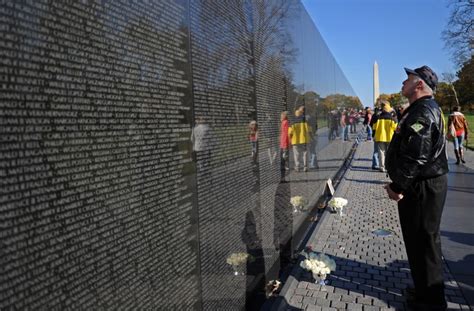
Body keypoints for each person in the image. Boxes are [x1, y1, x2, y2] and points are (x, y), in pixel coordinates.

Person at [385, 65, 448, 310]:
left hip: (423, 186)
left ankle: (432, 302)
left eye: (408, 78)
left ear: (419, 84)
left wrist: (397, 185)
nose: (403, 82)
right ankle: (424, 292)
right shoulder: (422, 108)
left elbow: (416, 156)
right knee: (417, 240)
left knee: (424, 242)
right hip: (422, 183)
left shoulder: (422, 112)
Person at [371, 100, 397, 172]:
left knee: (381, 152)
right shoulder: (392, 118)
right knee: (389, 153)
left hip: (380, 137)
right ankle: (388, 167)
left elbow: (374, 127)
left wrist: (373, 135)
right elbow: (395, 128)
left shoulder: (378, 117)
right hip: (389, 137)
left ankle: (382, 167)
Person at [288, 106, 310, 172]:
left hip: (295, 140)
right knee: (305, 153)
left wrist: (290, 139)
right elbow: (308, 129)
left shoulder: (292, 121)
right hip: (304, 139)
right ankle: (305, 167)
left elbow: (290, 132)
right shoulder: (304, 120)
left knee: (296, 154)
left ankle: (297, 167)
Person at [279, 111, 290, 180]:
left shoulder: (283, 122)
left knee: (283, 157)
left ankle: (283, 176)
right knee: (284, 157)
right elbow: (286, 133)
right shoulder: (286, 122)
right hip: (284, 142)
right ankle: (283, 177)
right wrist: (287, 143)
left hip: (282, 142)